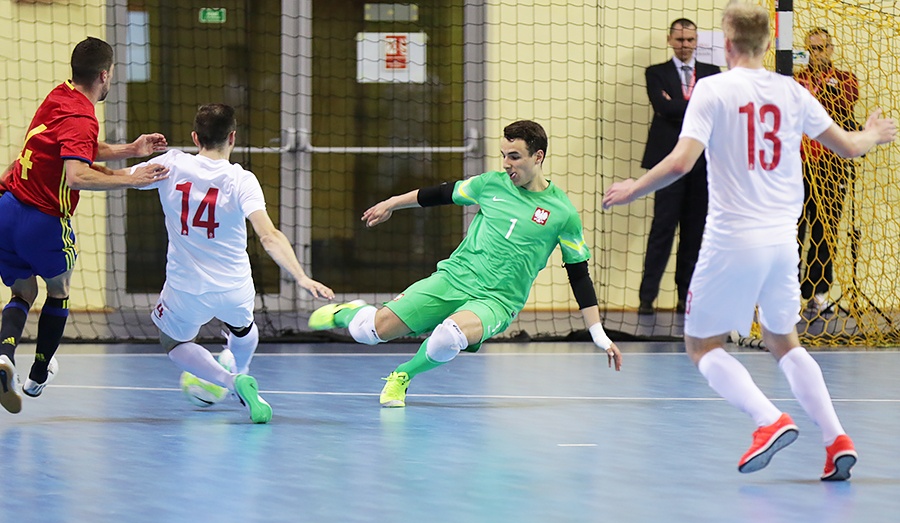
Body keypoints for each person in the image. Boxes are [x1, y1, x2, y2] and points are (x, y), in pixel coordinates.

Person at [603, 1, 896, 481]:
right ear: (766, 43)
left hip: (732, 239)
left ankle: (768, 420)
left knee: (701, 346)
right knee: (786, 342)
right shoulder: (791, 91)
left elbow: (681, 163)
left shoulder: (713, 89)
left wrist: (632, 188)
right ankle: (836, 437)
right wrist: (873, 133)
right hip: (782, 242)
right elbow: (848, 146)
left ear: (729, 40)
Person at [308, 120, 623, 408]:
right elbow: (441, 193)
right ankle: (347, 312)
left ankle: (403, 375)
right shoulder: (490, 184)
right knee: (372, 332)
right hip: (454, 278)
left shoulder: (563, 213)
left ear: (537, 156)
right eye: (503, 155)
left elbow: (579, 274)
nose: (506, 164)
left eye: (514, 157)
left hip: (498, 300)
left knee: (449, 335)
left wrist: (598, 333)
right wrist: (392, 203)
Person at [131, 103, 335, 424]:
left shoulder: (170, 164)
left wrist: (92, 162)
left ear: (195, 137)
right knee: (242, 328)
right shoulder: (243, 179)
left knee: (172, 341)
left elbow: (114, 178)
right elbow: (268, 235)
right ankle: (243, 370)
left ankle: (231, 381)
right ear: (233, 138)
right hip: (234, 287)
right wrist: (301, 277)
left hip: (186, 288)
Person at [0, 37, 169, 414]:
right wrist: (133, 178)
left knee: (22, 294)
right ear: (104, 75)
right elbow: (75, 175)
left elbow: (75, 145)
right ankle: (38, 375)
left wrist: (131, 149)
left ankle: (4, 356)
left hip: (7, 209)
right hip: (42, 221)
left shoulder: (59, 96)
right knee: (58, 291)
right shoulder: (82, 115)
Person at [637, 19, 720, 315]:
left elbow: (707, 110)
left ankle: (686, 296)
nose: (685, 45)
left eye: (690, 40)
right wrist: (697, 105)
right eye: (680, 40)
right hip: (666, 162)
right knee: (662, 227)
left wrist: (680, 105)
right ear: (669, 40)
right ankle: (647, 297)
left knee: (694, 232)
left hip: (701, 163)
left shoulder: (712, 74)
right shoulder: (655, 73)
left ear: (697, 41)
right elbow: (663, 108)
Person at [795, 28, 859, 315]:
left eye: (821, 48)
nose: (817, 54)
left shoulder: (845, 79)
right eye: (812, 49)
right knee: (793, 230)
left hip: (830, 165)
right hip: (797, 163)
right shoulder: (795, 79)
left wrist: (825, 91)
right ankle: (787, 293)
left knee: (825, 229)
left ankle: (817, 292)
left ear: (831, 49)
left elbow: (844, 106)